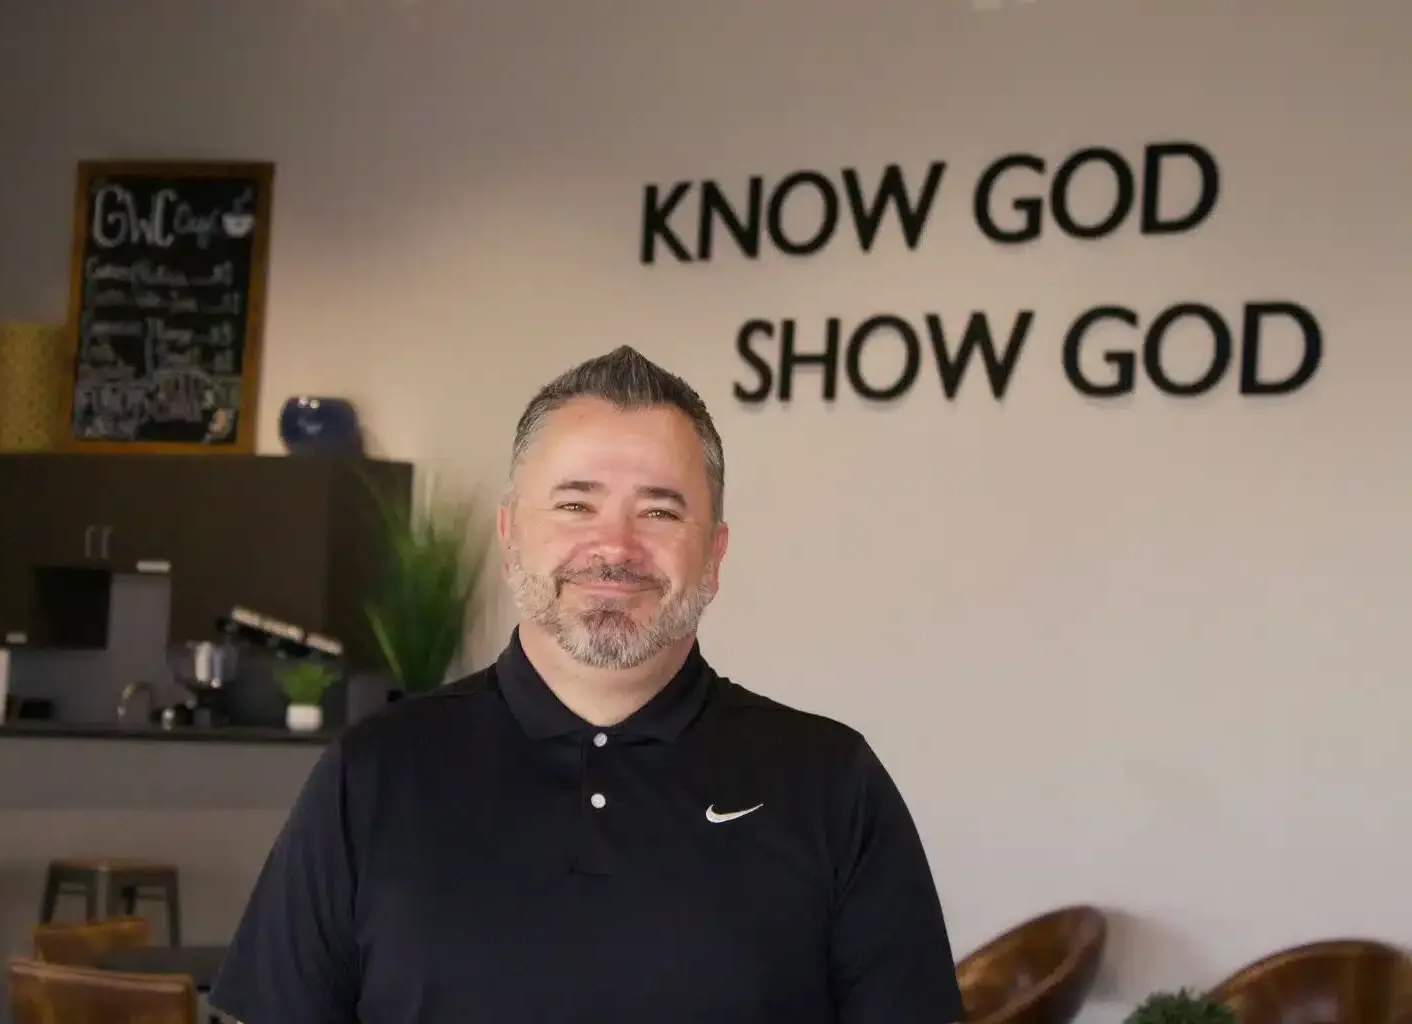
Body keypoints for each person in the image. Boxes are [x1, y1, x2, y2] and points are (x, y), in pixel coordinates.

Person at [209, 346, 963, 1023]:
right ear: (511, 535)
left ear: (714, 555)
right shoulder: (372, 773)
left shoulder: (831, 782)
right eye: (576, 504)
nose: (615, 547)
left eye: (660, 510)